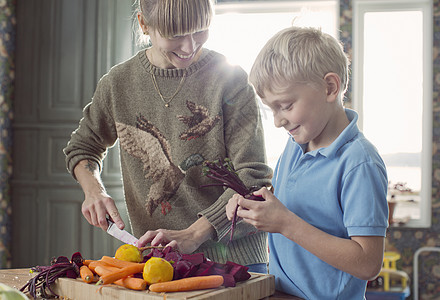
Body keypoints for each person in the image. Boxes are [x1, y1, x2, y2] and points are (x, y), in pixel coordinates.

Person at [64, 0, 272, 273]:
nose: (190, 46)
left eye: (201, 30)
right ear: (143, 24)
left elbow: (252, 178)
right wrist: (94, 191)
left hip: (236, 260)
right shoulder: (118, 83)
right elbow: (82, 147)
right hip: (159, 263)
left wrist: (194, 233)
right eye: (175, 36)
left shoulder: (229, 79)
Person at [226, 26, 389, 299]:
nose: (278, 121)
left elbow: (368, 264)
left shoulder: (360, 163)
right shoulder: (294, 147)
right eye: (271, 109)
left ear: (330, 87)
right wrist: (252, 205)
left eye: (286, 106)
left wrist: (286, 224)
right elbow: (294, 207)